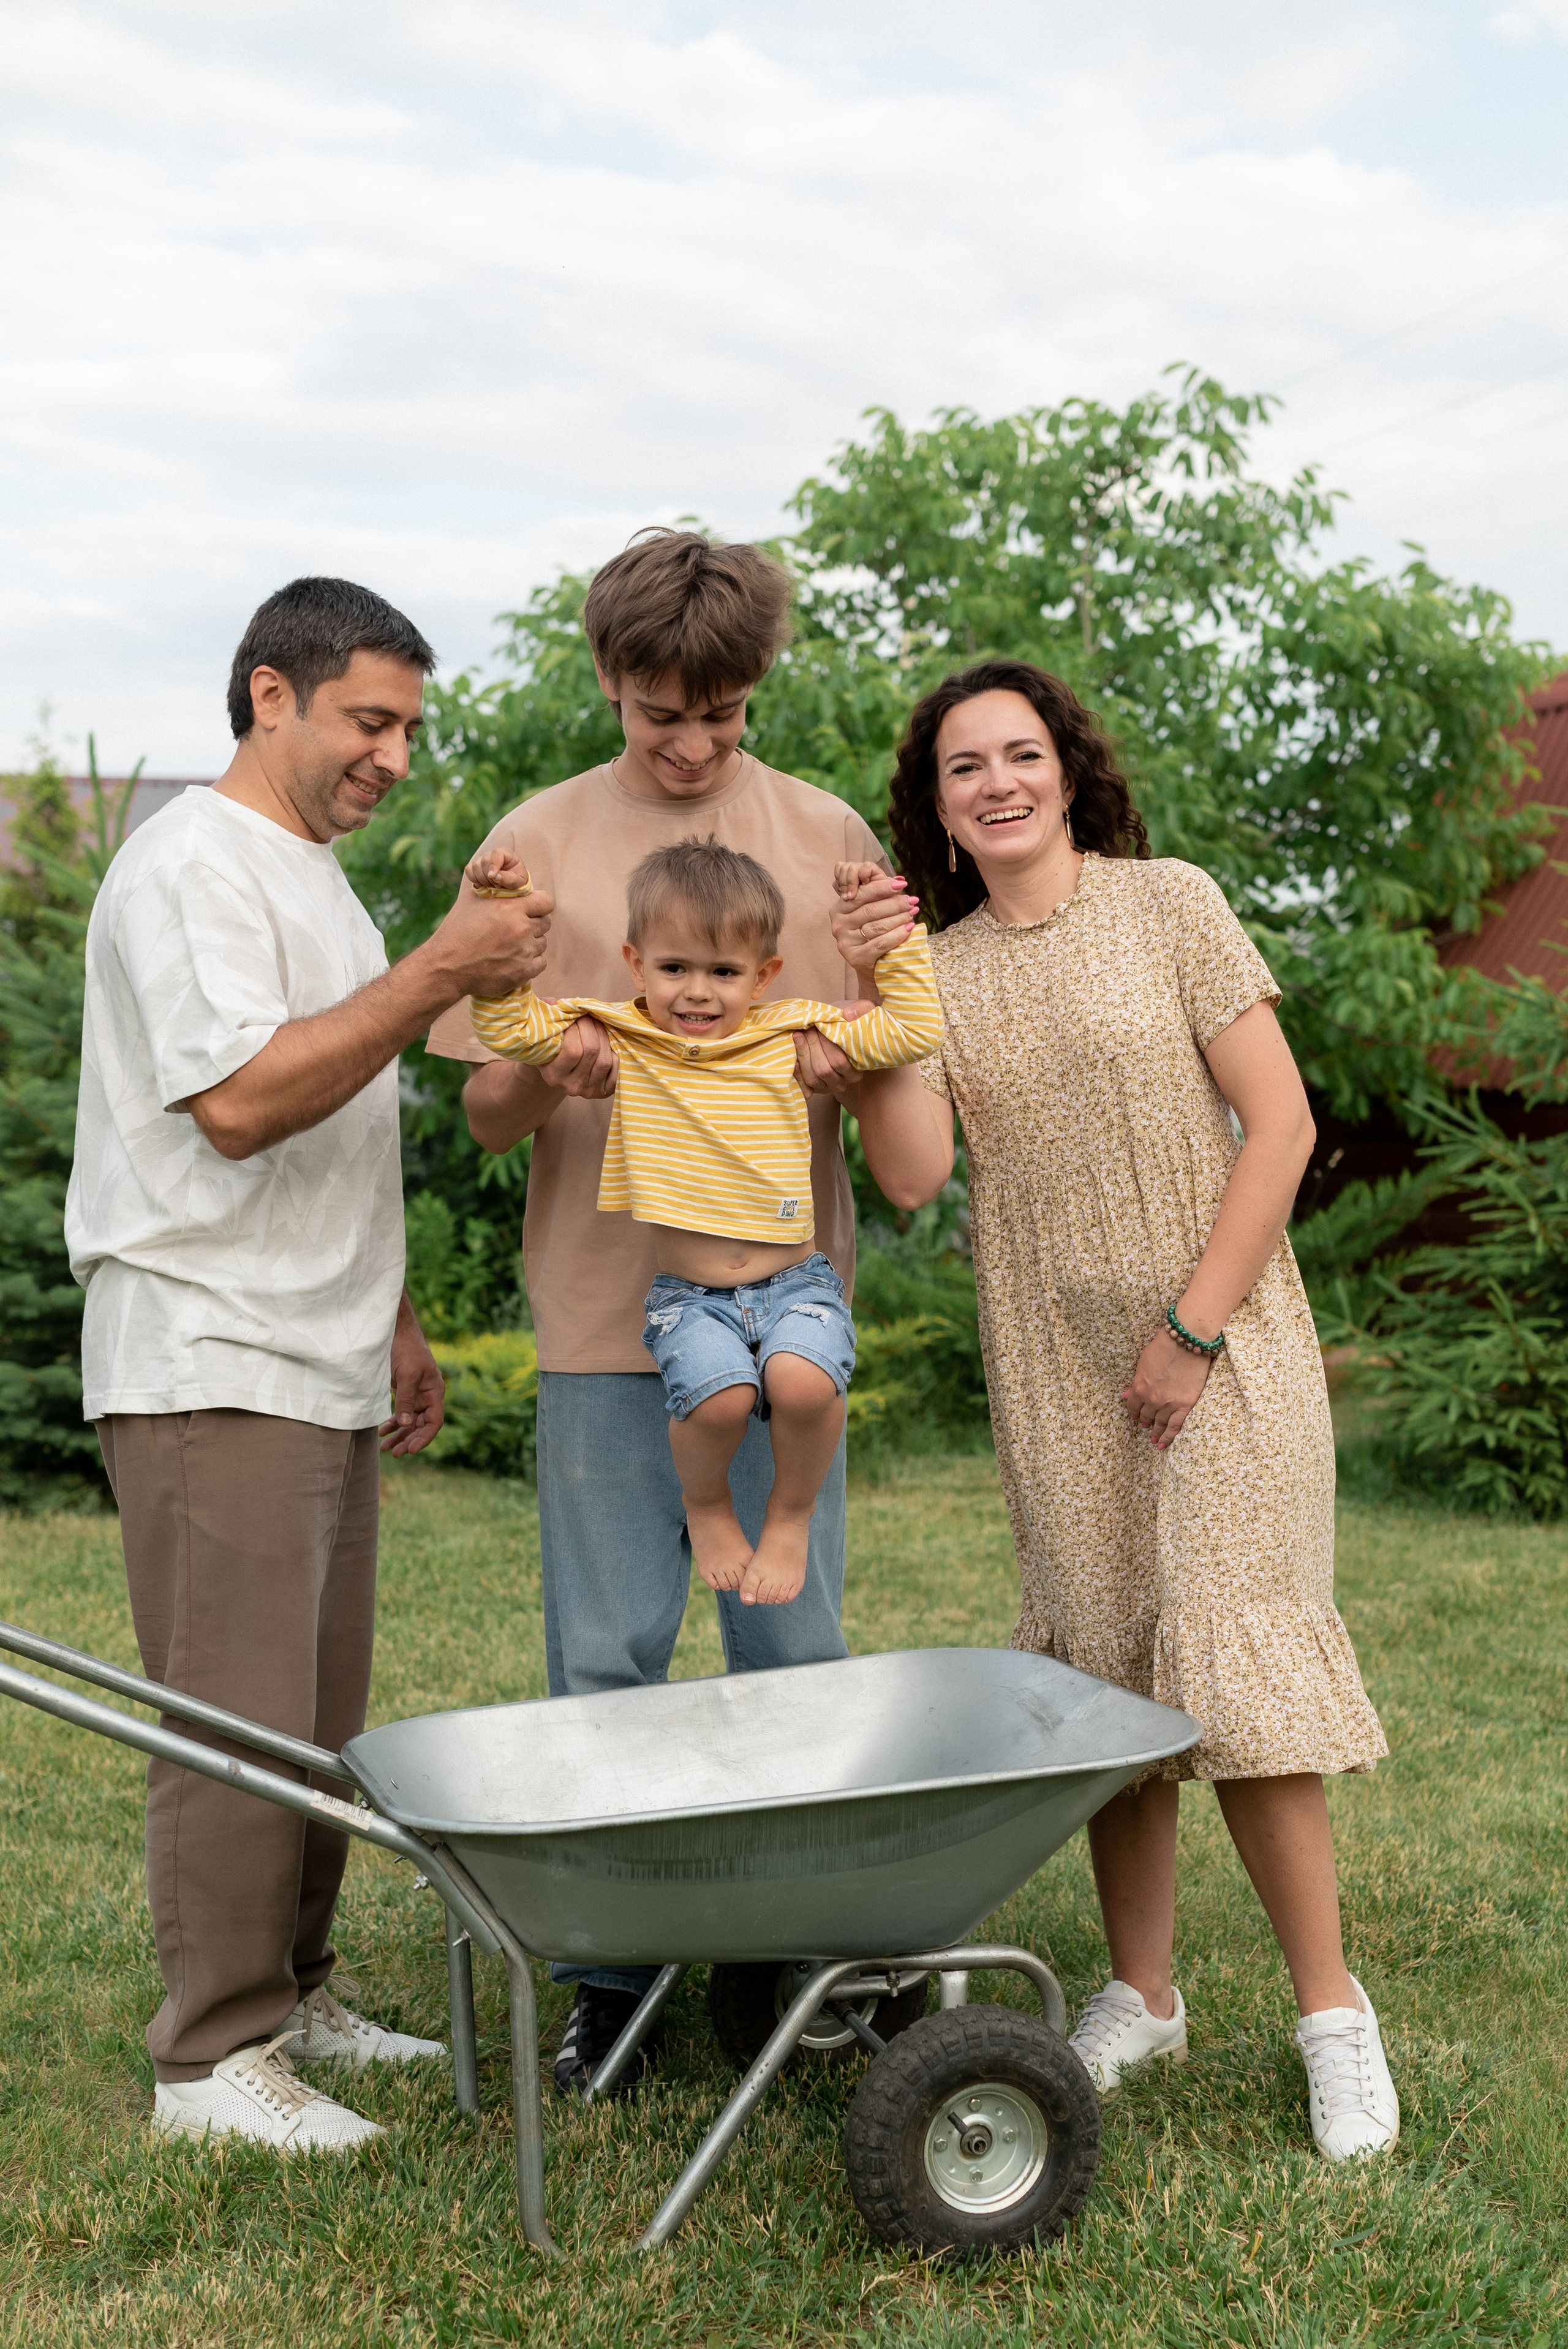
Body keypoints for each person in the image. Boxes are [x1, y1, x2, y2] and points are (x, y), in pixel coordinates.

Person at [827, 658, 1399, 2163]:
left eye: (1021, 753)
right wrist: (875, 994)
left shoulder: (1169, 904)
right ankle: (1140, 1990)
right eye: (965, 767)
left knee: (1233, 1655)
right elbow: (905, 1175)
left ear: (1066, 770)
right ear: (935, 808)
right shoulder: (933, 966)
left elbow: (1279, 1123)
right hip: (1049, 1356)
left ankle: (1330, 2016)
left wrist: (1188, 1326)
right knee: (1104, 1663)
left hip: (1217, 1332)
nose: (997, 781)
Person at [65, 576, 549, 2152]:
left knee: (313, 1716)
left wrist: (396, 1316)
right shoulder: (187, 865)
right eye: (369, 719)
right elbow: (241, 1105)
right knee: (230, 1720)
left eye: (408, 725)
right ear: (268, 695)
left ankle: (301, 1991)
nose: (395, 755)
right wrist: (443, 969)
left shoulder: (317, 884)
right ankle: (210, 2060)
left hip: (322, 1349)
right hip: (213, 1348)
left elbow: (340, 1120)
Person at [422, 527, 892, 2094]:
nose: (691, 745)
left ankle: (793, 1960)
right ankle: (611, 1971)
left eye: (723, 713)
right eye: (656, 713)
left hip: (778, 1323)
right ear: (609, 680)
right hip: (603, 1324)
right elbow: (484, 1118)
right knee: (607, 1655)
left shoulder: (826, 839)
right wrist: (530, 1070)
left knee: (791, 1644)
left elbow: (880, 1053)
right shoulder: (533, 847)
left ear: (756, 688)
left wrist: (857, 1060)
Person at [464, 837, 940, 1600]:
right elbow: (507, 1030)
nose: (697, 992)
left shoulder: (792, 1032)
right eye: (674, 968)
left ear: (764, 976)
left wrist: (897, 941)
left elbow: (913, 1032)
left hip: (795, 1281)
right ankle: (708, 1501)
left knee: (806, 1384)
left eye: (724, 972)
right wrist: (497, 911)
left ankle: (788, 1517)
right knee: (716, 1400)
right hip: (689, 1297)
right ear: (635, 962)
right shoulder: (624, 1033)